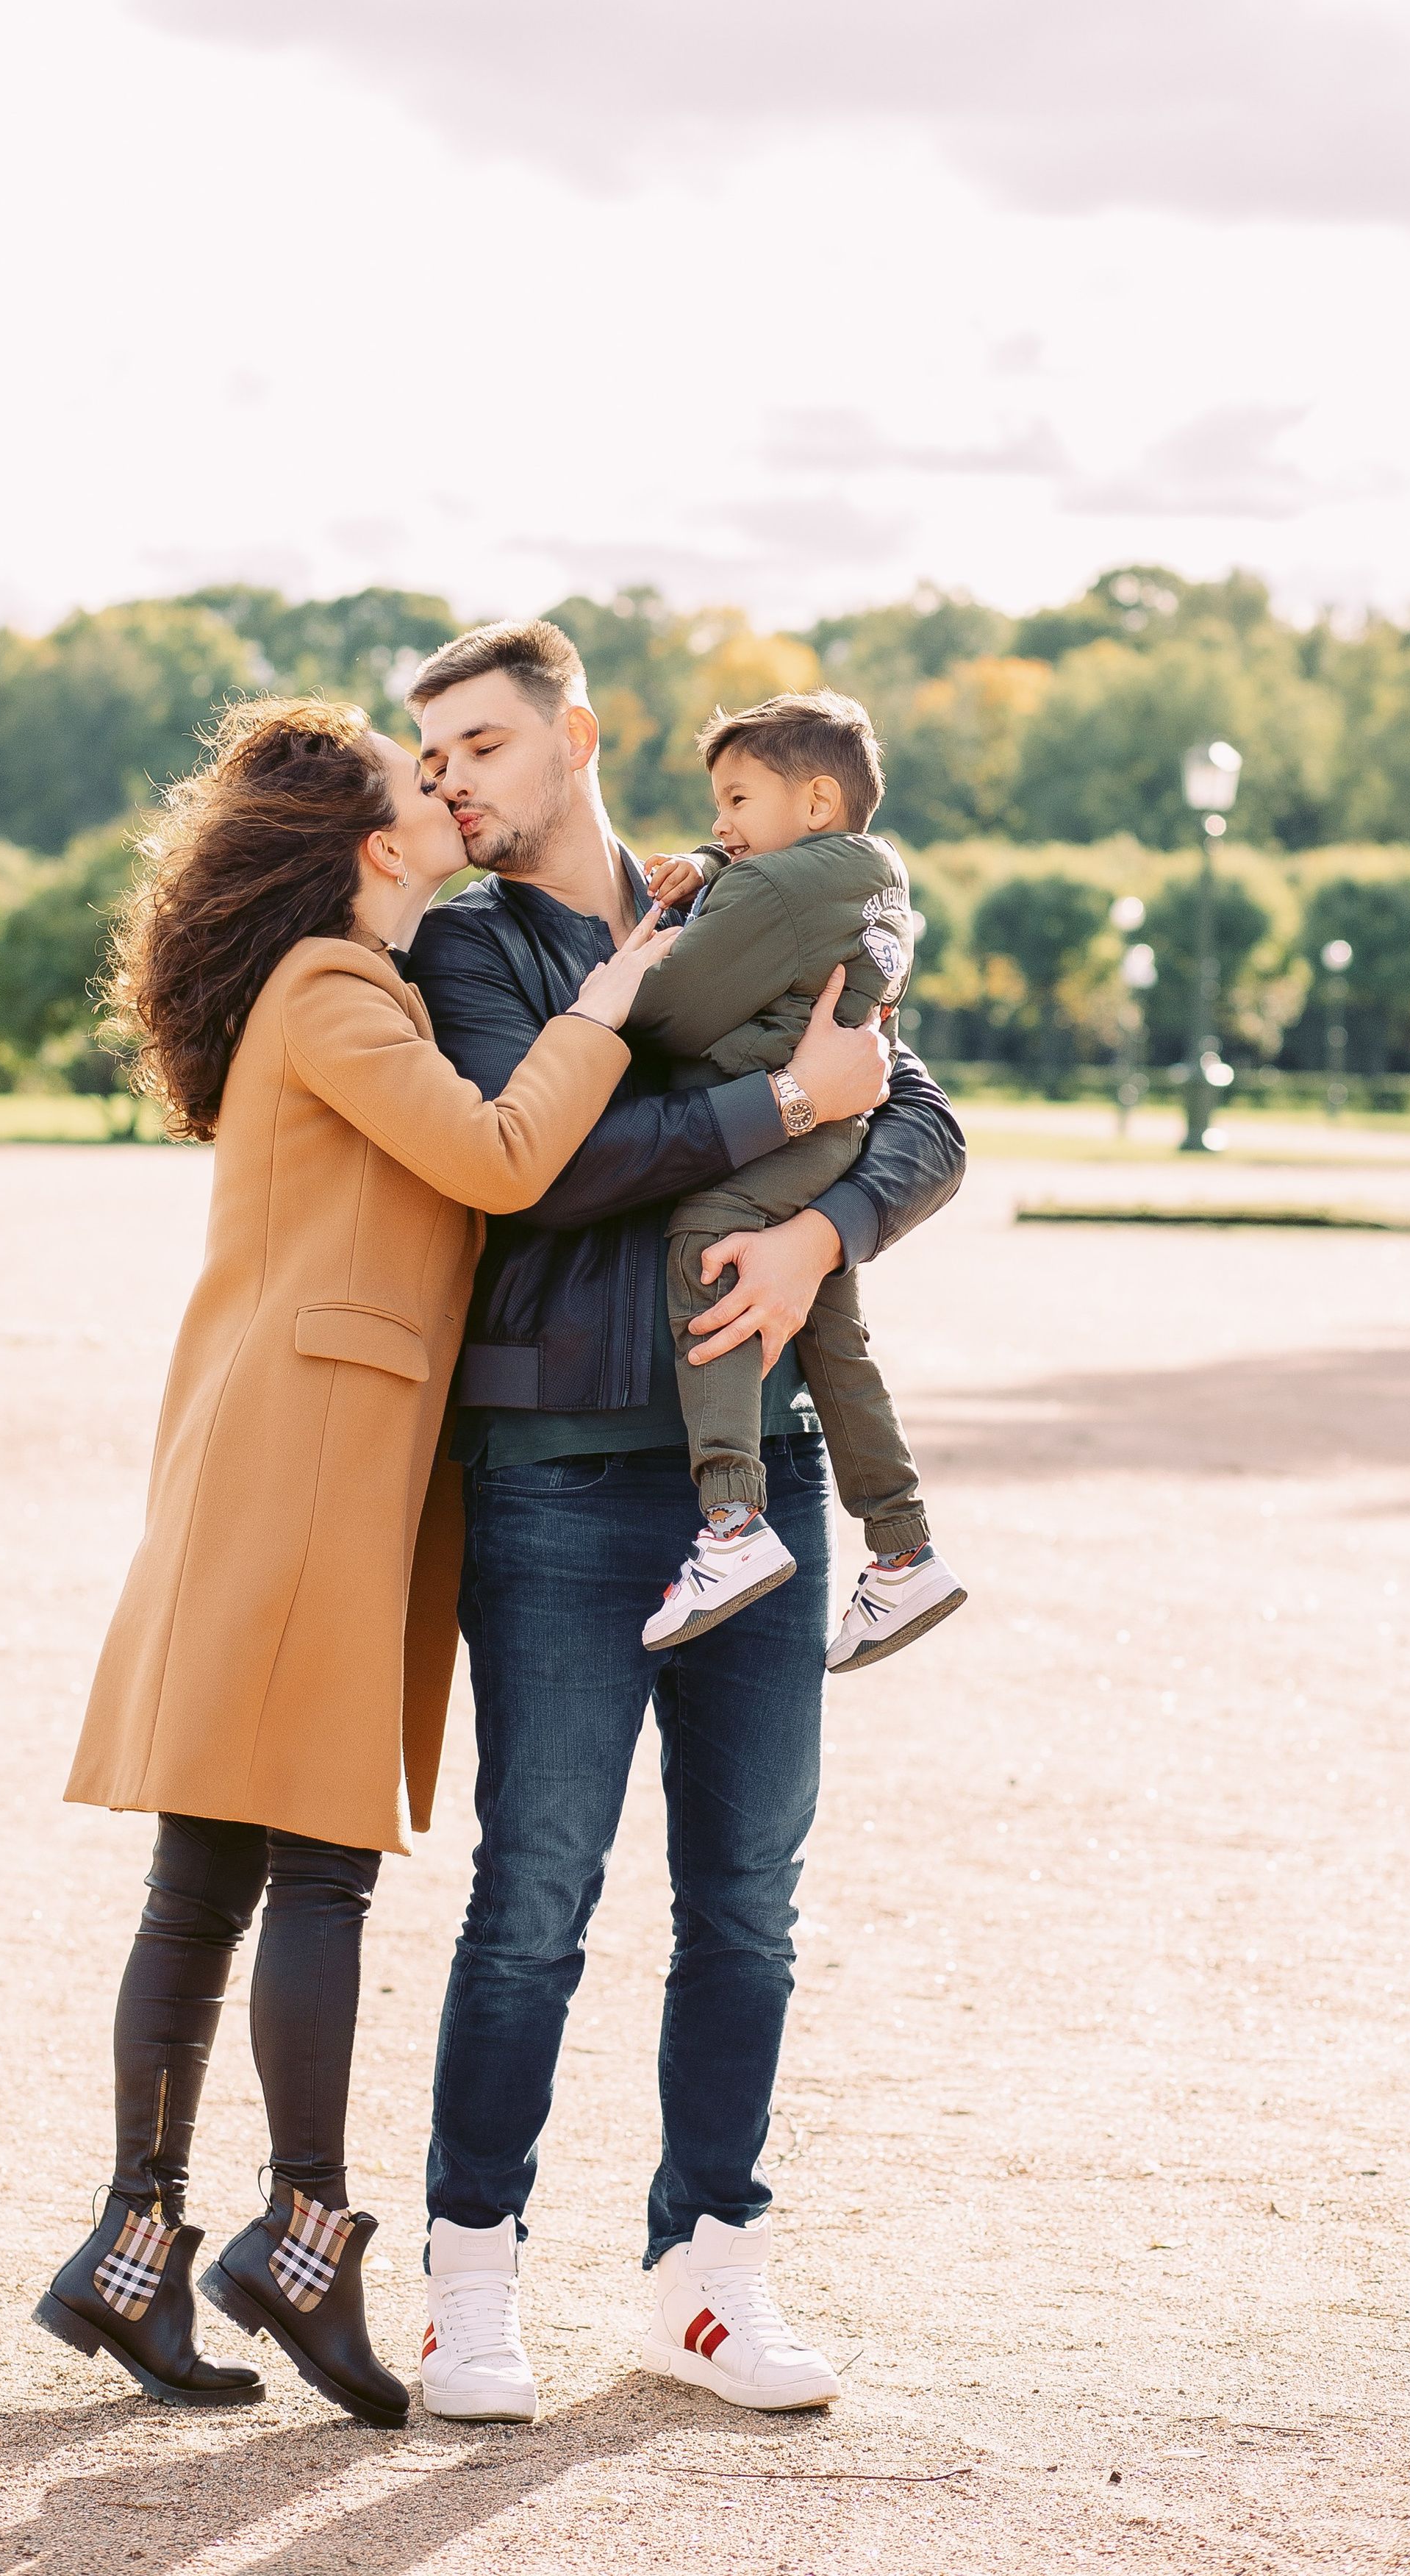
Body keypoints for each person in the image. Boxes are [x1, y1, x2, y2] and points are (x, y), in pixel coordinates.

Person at [35, 693, 679, 2430]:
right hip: (308, 1468)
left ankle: (136, 2250)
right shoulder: (334, 989)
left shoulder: (342, 991)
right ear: (373, 845)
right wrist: (612, 999)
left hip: (286, 1460)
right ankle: (296, 2243)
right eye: (423, 779)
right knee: (308, 1874)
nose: (449, 791)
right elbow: (497, 1153)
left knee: (212, 1880)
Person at [404, 619, 966, 2423]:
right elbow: (539, 1165)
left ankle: (703, 2278)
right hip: (561, 1468)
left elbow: (925, 1115)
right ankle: (466, 2281)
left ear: (576, 737)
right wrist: (783, 1103)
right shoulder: (467, 950)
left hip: (764, 1469)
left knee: (744, 1906)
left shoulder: (752, 890)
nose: (456, 786)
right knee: (536, 1895)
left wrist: (822, 1226)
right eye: (434, 764)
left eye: (482, 746)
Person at [625, 687, 968, 1664]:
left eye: (737, 801)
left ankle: (730, 1524)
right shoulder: (875, 876)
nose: (721, 822)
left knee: (708, 1245)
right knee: (832, 1334)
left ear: (815, 802)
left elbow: (671, 1013)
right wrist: (706, 862)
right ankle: (904, 1550)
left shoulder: (768, 890)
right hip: (845, 1134)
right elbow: (760, 907)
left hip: (783, 1129)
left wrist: (628, 975)